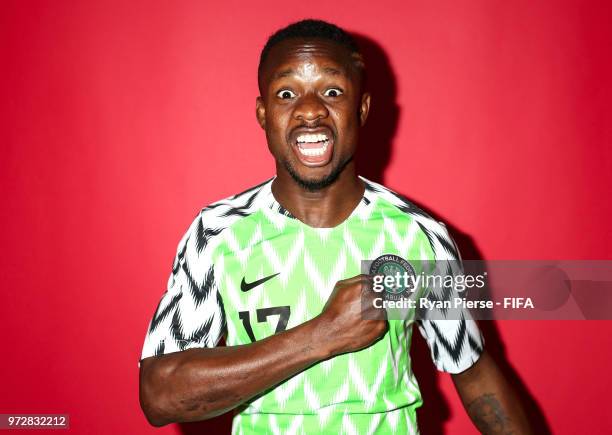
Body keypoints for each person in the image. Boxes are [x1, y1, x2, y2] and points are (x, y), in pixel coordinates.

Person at [138, 19, 531, 434]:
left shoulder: (418, 235)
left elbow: (472, 373)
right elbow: (160, 395)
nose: (310, 110)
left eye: (332, 91)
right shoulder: (218, 232)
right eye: (286, 93)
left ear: (361, 109)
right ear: (263, 114)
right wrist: (322, 335)